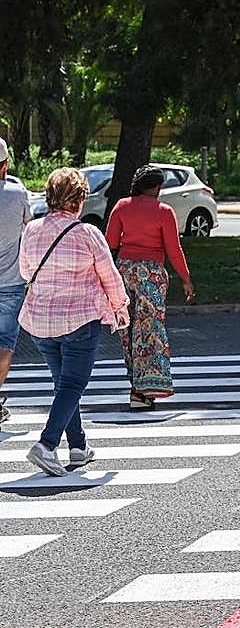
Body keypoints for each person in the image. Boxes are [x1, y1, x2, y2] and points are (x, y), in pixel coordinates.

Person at [19, 168, 129, 476]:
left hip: (41, 322)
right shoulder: (88, 233)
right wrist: (120, 308)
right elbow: (110, 276)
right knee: (73, 384)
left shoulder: (33, 230)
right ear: (80, 199)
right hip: (80, 320)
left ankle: (78, 446)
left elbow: (27, 272)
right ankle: (46, 444)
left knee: (64, 385)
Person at [105, 164, 196, 411]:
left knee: (128, 330)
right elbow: (174, 250)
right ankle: (146, 390)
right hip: (152, 276)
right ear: (156, 186)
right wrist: (186, 279)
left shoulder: (122, 206)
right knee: (149, 331)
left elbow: (111, 242)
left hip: (124, 272)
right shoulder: (164, 211)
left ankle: (135, 387)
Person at [0, 137, 32, 424]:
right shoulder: (17, 192)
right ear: (5, 165)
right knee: (5, 344)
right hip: (10, 283)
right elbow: (29, 223)